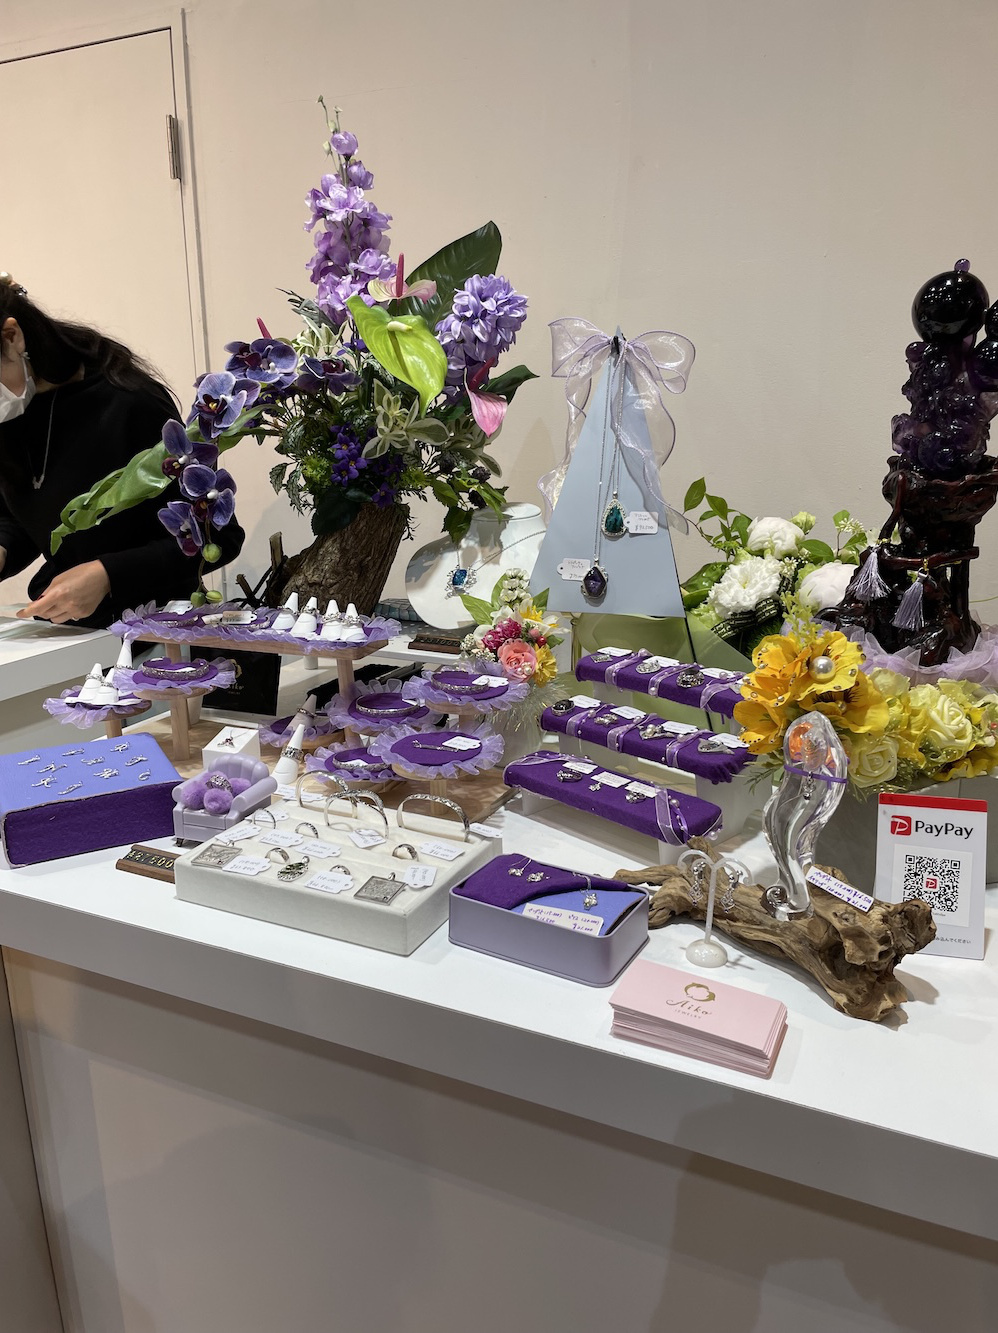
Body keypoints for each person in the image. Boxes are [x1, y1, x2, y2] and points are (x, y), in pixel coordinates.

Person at [0, 274, 244, 627]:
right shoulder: (12, 415)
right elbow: (29, 510)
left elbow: (218, 535)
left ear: (11, 336)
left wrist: (107, 574)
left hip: (156, 634)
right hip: (62, 635)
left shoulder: (129, 402)